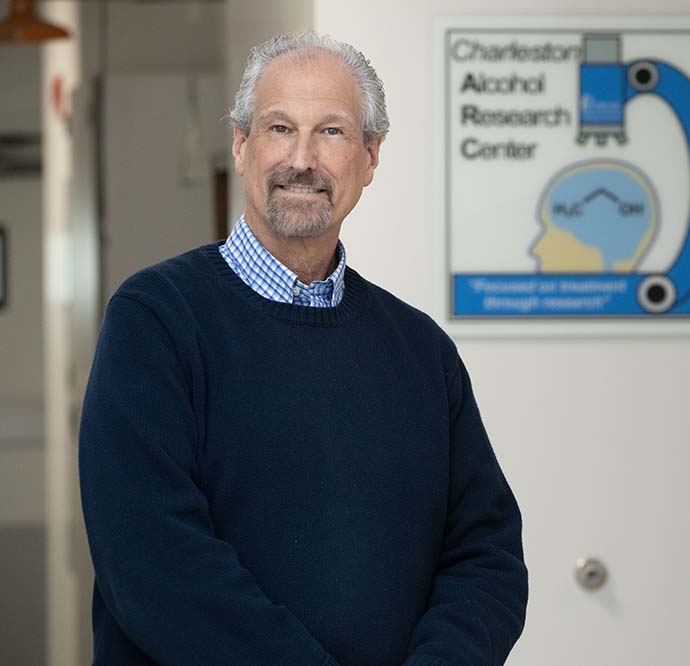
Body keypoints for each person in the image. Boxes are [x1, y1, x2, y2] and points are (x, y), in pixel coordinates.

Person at [78, 31, 528, 666]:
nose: (302, 159)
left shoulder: (422, 353)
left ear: (371, 158)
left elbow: (486, 555)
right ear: (241, 145)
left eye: (333, 132)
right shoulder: (154, 320)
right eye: (280, 127)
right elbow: (152, 561)